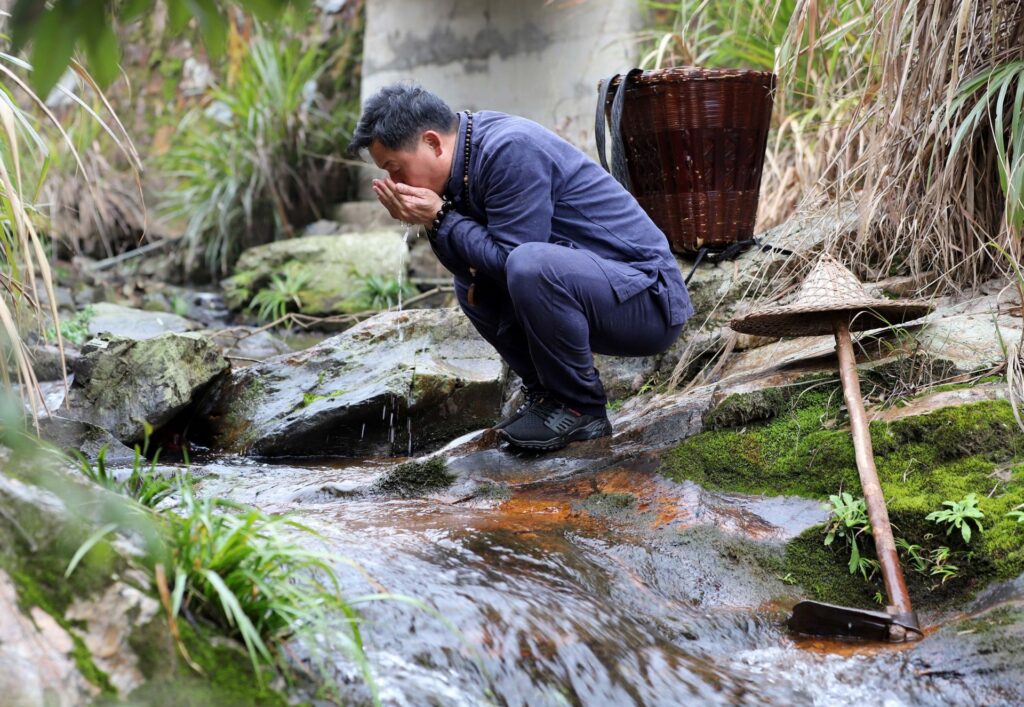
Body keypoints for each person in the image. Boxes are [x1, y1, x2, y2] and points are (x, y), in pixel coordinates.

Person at [347, 84, 693, 452]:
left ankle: (582, 408)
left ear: (433, 143)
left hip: (647, 300)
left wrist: (441, 217)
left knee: (529, 265)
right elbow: (475, 266)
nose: (396, 184)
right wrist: (435, 220)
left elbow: (513, 261)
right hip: (593, 290)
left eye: (396, 169)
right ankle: (546, 396)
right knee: (469, 287)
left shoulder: (508, 149)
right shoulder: (459, 165)